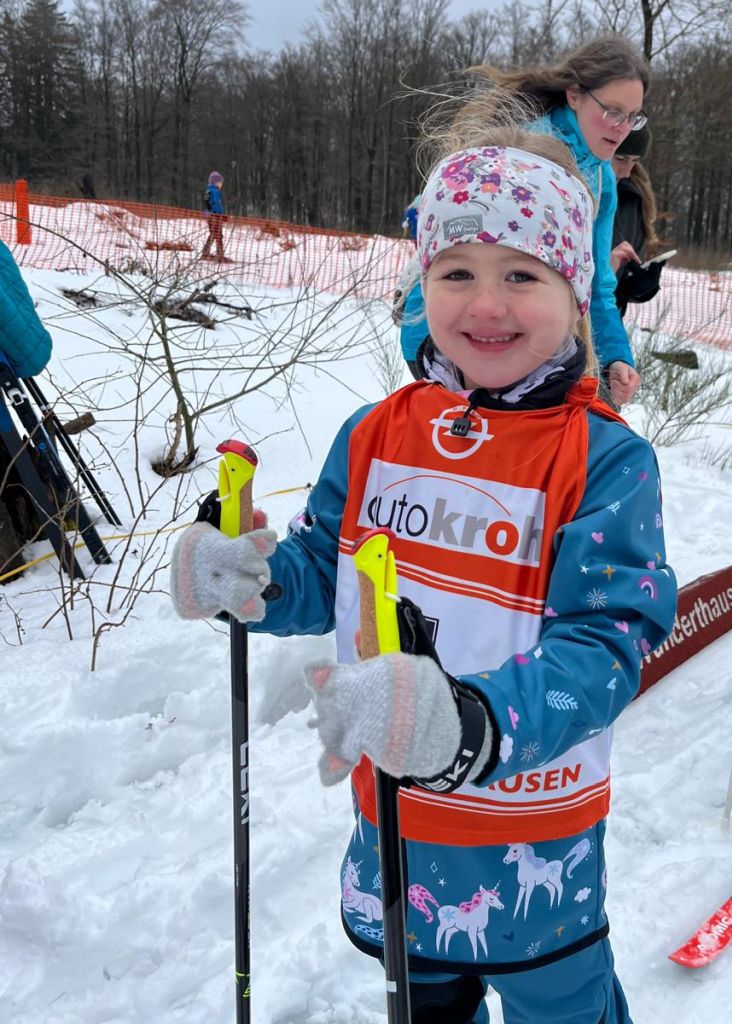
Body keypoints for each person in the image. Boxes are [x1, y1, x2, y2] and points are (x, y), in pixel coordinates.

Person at [169, 125, 677, 1024]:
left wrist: (472, 722)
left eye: (522, 275)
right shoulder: (375, 433)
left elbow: (606, 645)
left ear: (574, 291)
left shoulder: (604, 460)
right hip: (396, 821)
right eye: (457, 271)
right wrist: (249, 577)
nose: (486, 303)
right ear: (423, 283)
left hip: (532, 837)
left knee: (565, 1009)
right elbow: (322, 573)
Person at [399, 36, 650, 407]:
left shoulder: (602, 180)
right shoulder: (521, 150)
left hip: (522, 343)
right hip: (443, 338)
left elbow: (593, 280)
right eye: (613, 111)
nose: (622, 128)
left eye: (633, 117)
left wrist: (615, 354)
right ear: (575, 95)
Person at [609, 124, 664, 318]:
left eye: (634, 161)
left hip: (609, 320)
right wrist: (605, 271)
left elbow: (621, 279)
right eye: (620, 158)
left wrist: (636, 286)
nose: (626, 171)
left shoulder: (634, 198)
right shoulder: (574, 191)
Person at [201, 171, 226, 261]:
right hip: (215, 215)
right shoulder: (215, 191)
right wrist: (220, 213)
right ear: (216, 182)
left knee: (214, 233)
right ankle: (219, 254)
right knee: (217, 234)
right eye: (220, 182)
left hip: (209, 216)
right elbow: (216, 203)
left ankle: (207, 251)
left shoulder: (208, 190)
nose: (221, 184)